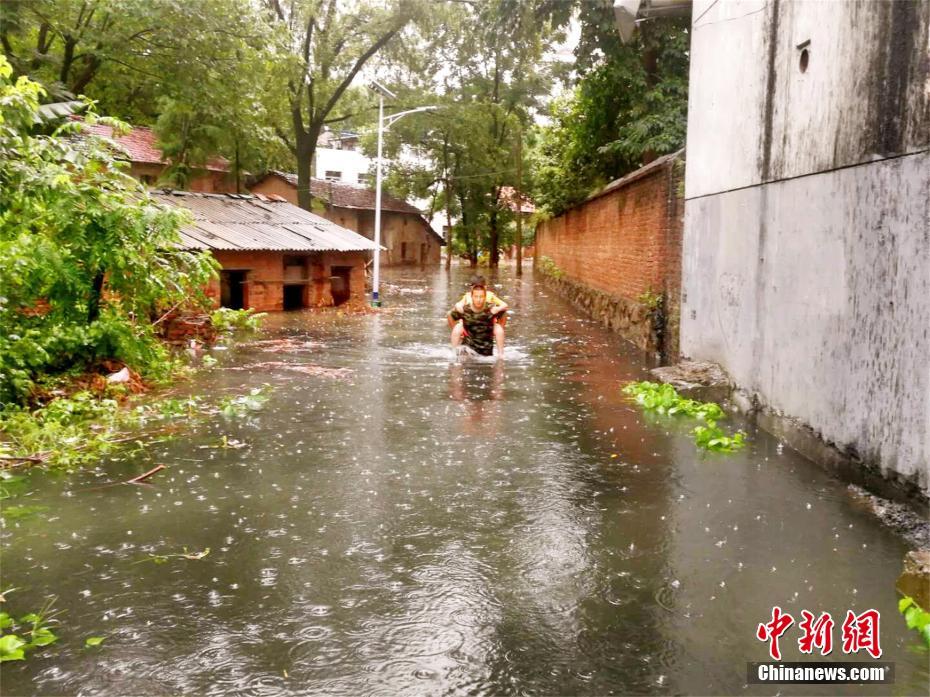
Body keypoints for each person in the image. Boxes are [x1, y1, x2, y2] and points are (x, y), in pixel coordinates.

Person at [448, 277, 508, 357]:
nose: (479, 299)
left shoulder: (490, 296)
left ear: (485, 289)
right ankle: (455, 351)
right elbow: (455, 309)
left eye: (481, 296)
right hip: (468, 323)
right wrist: (459, 307)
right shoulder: (468, 296)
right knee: (458, 327)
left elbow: (504, 307)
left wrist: (498, 310)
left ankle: (501, 353)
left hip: (487, 323)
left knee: (498, 329)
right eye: (476, 296)